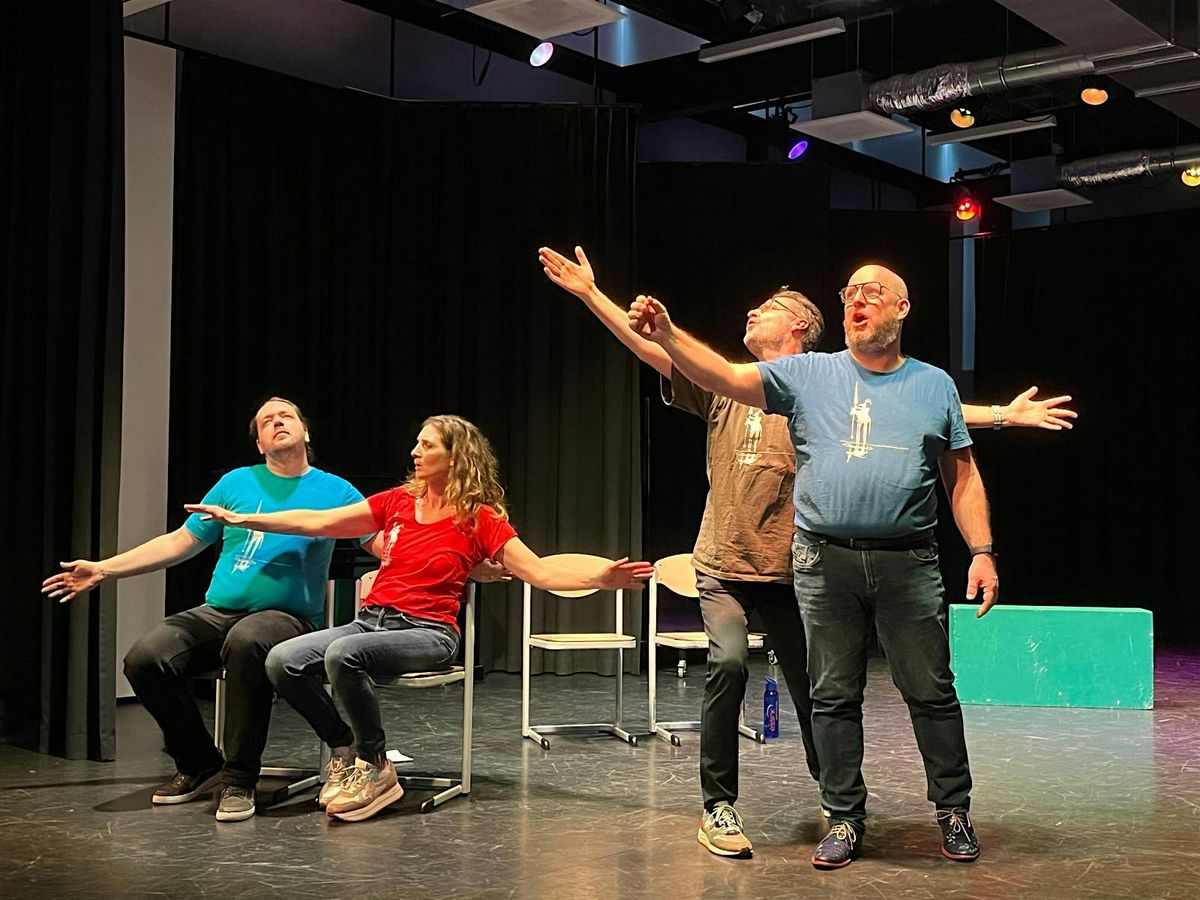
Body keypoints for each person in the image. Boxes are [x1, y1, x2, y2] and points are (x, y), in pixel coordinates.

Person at [539, 246, 1074, 859]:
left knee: (863, 691)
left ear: (802, 324)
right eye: (850, 293)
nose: (751, 313)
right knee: (762, 675)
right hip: (764, 565)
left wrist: (1002, 422)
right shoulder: (764, 382)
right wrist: (602, 299)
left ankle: (887, 803)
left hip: (824, 568)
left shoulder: (873, 384)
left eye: (767, 308)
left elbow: (927, 418)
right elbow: (685, 359)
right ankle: (760, 809)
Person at [626, 264, 1002, 868]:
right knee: (831, 695)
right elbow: (723, 375)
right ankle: (844, 818)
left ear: (902, 309)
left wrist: (981, 550)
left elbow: (961, 474)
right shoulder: (810, 373)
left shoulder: (933, 385)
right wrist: (667, 333)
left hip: (907, 561)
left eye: (872, 292)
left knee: (930, 690)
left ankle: (953, 810)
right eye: (849, 293)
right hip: (825, 561)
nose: (857, 300)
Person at [187, 413, 654, 823]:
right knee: (281, 660)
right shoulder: (395, 503)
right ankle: (346, 747)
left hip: (428, 631)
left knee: (343, 653)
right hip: (370, 622)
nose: (414, 451)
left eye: (426, 445)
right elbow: (319, 522)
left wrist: (600, 576)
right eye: (417, 443)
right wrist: (244, 520)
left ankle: (375, 766)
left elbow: (540, 571)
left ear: (455, 457)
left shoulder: (480, 518)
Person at [43, 398, 370, 823]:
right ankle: (200, 763)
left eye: (285, 416)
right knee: (146, 658)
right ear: (259, 443)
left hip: (286, 618)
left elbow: (378, 540)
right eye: (266, 421)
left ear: (305, 432)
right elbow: (180, 541)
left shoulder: (336, 491)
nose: (276, 421)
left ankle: (239, 777)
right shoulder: (236, 483)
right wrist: (105, 569)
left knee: (247, 640)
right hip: (219, 611)